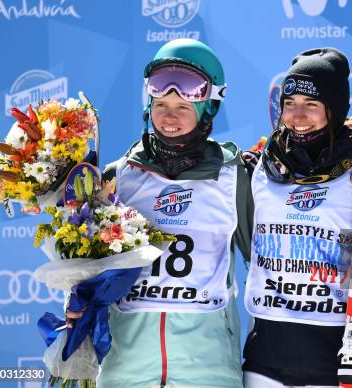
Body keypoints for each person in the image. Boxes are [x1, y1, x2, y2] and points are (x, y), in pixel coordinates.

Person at [68, 38, 253, 387]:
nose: (169, 116)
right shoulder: (116, 177)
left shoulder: (234, 176)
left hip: (207, 371)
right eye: (161, 103)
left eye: (184, 106)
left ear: (208, 109)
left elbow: (269, 261)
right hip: (126, 370)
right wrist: (78, 299)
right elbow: (89, 269)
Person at [242, 47, 352, 387]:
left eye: (311, 105)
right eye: (290, 103)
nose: (298, 115)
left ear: (334, 110)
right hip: (266, 354)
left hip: (334, 356)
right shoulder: (262, 165)